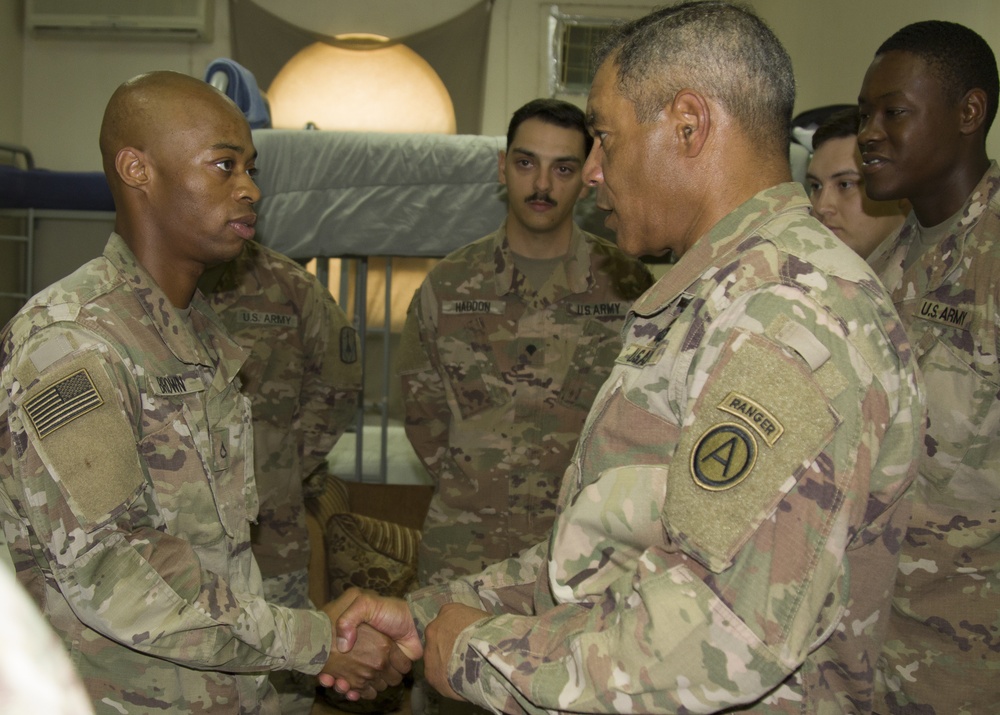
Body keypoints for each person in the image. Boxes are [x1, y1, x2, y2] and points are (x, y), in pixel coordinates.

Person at [331, 3, 924, 713]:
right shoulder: (718, 298)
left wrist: (477, 651)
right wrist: (436, 613)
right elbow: (609, 549)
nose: (590, 173)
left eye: (604, 138)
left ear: (688, 124)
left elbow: (722, 635)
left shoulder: (788, 317)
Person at [0, 70, 408, 714]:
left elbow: (218, 558)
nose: (250, 189)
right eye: (223, 166)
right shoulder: (73, 344)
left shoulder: (197, 335)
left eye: (250, 167)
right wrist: (314, 640)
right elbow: (113, 571)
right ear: (137, 169)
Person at [397, 98, 652, 589]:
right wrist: (478, 482)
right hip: (464, 550)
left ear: (586, 178)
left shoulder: (627, 286)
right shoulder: (449, 285)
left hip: (584, 551)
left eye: (562, 168)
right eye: (525, 163)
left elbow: (642, 417)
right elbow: (420, 414)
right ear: (502, 168)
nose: (541, 185)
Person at [857, 21, 1000, 715]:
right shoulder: (877, 270)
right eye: (864, 115)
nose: (869, 133)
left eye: (894, 112)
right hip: (868, 649)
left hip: (970, 667)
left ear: (968, 113)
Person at [199, 240, 362, 715]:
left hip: (270, 528)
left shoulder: (292, 289)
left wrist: (284, 464)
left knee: (285, 676)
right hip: (173, 534)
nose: (243, 187)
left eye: (249, 170)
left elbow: (339, 386)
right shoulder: (157, 284)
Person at [805, 107, 908, 258]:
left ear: (902, 194)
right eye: (816, 186)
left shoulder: (942, 275)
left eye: (845, 184)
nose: (821, 207)